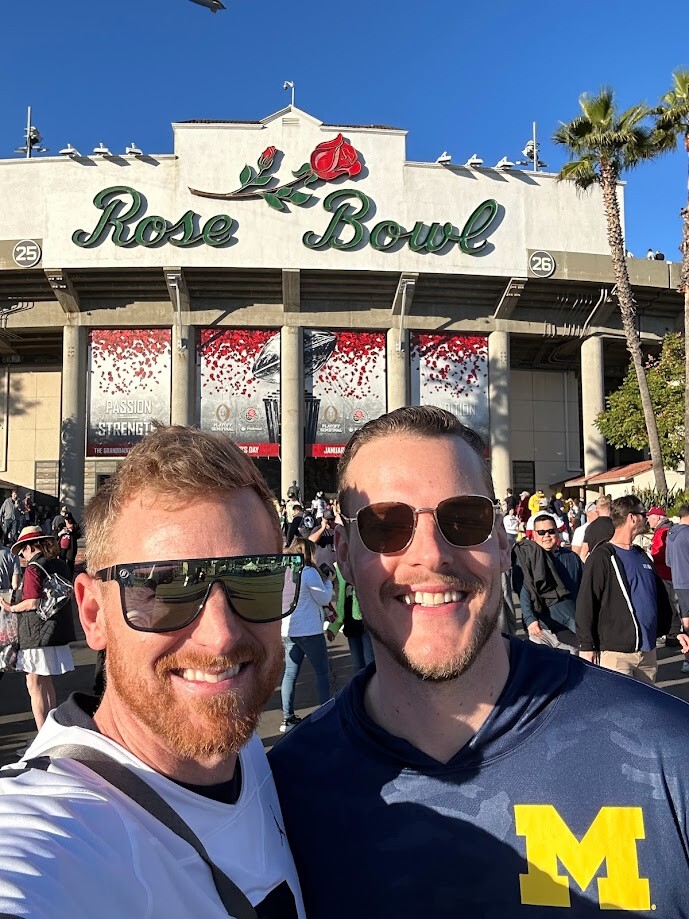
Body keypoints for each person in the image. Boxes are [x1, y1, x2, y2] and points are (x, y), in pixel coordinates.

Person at [269, 406, 689, 918]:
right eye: (385, 526)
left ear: (503, 544)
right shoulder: (282, 796)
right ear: (343, 552)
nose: (431, 555)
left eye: (463, 520)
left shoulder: (669, 753)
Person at [0, 427, 305, 918]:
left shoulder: (242, 746)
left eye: (255, 578)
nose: (222, 635)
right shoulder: (54, 830)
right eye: (164, 587)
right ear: (94, 614)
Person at [576, 495, 679, 684]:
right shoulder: (603, 556)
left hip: (647, 653)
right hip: (616, 655)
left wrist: (675, 629)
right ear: (632, 518)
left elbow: (659, 596)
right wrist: (586, 645)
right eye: (643, 514)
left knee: (646, 710)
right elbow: (586, 602)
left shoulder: (641, 555)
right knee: (618, 711)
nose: (646, 518)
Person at [0, 526, 75, 731]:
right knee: (46, 682)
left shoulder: (34, 568)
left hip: (36, 632)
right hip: (55, 628)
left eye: (23, 549)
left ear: (31, 546)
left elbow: (32, 601)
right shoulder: (59, 564)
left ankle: (43, 737)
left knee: (34, 684)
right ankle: (52, 731)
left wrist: (11, 607)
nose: (23, 554)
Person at [280, 537, 333, 733]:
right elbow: (324, 598)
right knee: (321, 671)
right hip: (309, 630)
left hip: (287, 630)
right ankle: (326, 713)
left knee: (290, 673)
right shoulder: (309, 572)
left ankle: (288, 717)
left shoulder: (285, 572)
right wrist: (328, 582)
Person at [512, 513, 582, 653]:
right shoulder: (527, 558)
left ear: (557, 532)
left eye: (551, 531)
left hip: (571, 626)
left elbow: (585, 589)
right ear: (534, 535)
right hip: (541, 628)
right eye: (541, 532)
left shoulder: (571, 557)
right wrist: (530, 618)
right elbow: (524, 590)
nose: (547, 535)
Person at [326, 562, 373, 672]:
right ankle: (361, 688)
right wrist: (333, 627)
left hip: (367, 625)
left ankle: (373, 688)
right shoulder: (341, 572)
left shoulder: (368, 569)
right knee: (358, 665)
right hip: (351, 626)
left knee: (369, 663)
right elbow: (341, 604)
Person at [647, 505, 683, 646]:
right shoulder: (670, 530)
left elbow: (659, 554)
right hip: (671, 573)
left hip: (665, 574)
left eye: (650, 517)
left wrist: (649, 553)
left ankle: (673, 635)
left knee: (670, 605)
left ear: (658, 518)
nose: (648, 519)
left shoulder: (662, 531)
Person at [666, 503, 689, 673]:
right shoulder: (687, 534)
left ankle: (687, 659)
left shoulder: (670, 534)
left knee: (685, 619)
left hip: (678, 581)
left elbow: (668, 561)